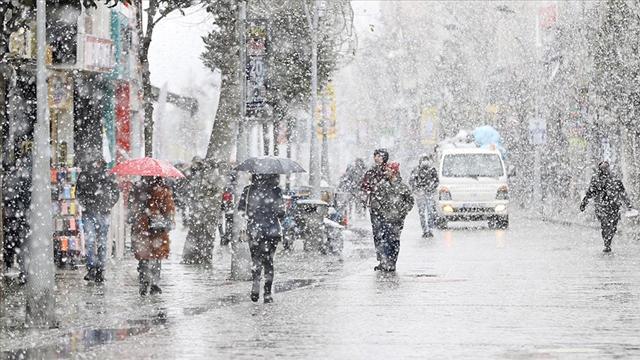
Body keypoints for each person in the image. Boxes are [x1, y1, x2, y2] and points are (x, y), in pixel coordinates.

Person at [238, 174, 285, 303]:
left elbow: (241, 210)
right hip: (272, 231)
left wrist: (252, 213)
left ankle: (255, 285)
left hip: (254, 230)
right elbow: (281, 213)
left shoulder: (248, 190)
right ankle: (268, 293)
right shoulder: (276, 191)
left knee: (256, 259)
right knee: (269, 261)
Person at [129, 176, 176, 295]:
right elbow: (169, 209)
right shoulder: (163, 190)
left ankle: (145, 280)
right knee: (156, 255)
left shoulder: (138, 188)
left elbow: (132, 208)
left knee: (144, 255)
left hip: (142, 227)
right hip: (157, 228)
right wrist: (167, 222)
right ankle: (154, 282)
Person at [76, 158, 120, 283]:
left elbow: (116, 193)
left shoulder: (107, 175)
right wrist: (88, 204)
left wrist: (107, 205)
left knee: (100, 242)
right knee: (93, 241)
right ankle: (93, 269)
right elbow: (78, 193)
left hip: (101, 212)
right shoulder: (86, 175)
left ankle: (99, 269)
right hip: (91, 212)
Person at [580, 161, 632, 253]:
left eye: (606, 168)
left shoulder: (615, 179)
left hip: (614, 207)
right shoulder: (595, 179)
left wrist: (628, 205)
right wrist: (584, 203)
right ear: (599, 169)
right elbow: (590, 193)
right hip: (601, 207)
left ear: (608, 168)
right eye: (602, 168)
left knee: (613, 227)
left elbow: (622, 192)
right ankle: (606, 244)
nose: (604, 170)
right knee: (605, 225)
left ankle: (609, 240)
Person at [373, 162, 414, 272]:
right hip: (385, 218)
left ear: (394, 171)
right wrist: (382, 212)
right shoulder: (382, 186)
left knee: (394, 241)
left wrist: (402, 211)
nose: (386, 172)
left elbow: (410, 201)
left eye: (389, 170)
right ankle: (385, 262)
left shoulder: (403, 187)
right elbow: (375, 201)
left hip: (397, 219)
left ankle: (392, 262)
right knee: (385, 239)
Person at [361, 149, 389, 270]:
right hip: (375, 206)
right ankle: (382, 259)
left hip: (387, 207)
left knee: (387, 233)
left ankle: (388, 258)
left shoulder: (389, 171)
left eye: (379, 156)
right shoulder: (371, 172)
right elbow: (364, 186)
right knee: (377, 233)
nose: (376, 158)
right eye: (375, 156)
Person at [409, 154, 439, 238]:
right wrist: (417, 190)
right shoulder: (416, 170)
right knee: (422, 213)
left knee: (430, 212)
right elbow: (411, 181)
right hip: (421, 194)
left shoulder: (432, 170)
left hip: (429, 194)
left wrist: (431, 188)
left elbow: (436, 181)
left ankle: (429, 229)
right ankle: (425, 230)